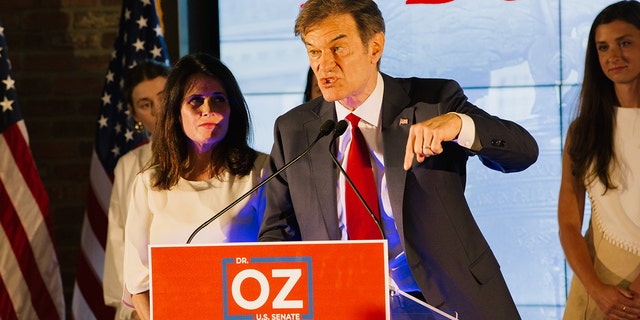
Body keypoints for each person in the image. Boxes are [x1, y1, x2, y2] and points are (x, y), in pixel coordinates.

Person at [258, 0, 538, 319]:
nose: (324, 64)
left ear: (374, 46)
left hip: (447, 300)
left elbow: (523, 150)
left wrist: (459, 124)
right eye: (314, 51)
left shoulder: (432, 102)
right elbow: (277, 231)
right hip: (345, 305)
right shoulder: (295, 129)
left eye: (338, 48)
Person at [122, 53, 269, 320]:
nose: (208, 110)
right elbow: (138, 283)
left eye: (219, 100)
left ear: (232, 109)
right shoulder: (149, 183)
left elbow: (281, 259)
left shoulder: (260, 172)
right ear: (176, 113)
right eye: (195, 101)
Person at [558, 1, 640, 319]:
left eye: (625, 43)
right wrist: (596, 289)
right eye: (603, 47)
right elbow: (568, 222)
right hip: (597, 284)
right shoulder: (583, 130)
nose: (613, 56)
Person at [103, 59, 169, 320]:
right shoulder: (129, 166)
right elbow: (119, 236)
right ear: (134, 115)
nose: (158, 110)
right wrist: (131, 305)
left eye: (163, 97)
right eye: (146, 105)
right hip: (144, 299)